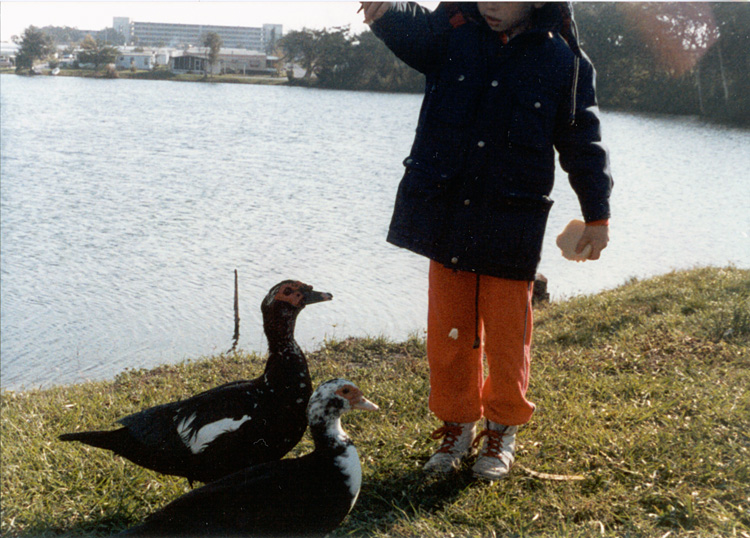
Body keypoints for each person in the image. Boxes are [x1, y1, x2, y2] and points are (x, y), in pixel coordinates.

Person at [360, 2, 613, 481]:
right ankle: (456, 427)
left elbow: (584, 143)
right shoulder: (450, 34)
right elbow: (411, 31)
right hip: (447, 212)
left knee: (506, 337)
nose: (490, 3)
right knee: (449, 334)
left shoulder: (565, 61)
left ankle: (501, 430)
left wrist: (596, 215)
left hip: (512, 221)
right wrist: (385, 10)